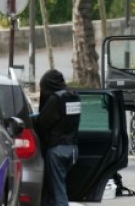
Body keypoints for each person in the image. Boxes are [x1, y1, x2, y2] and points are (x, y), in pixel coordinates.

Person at [35, 69, 81, 206]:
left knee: (57, 191)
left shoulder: (56, 99)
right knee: (59, 186)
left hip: (57, 150)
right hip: (73, 149)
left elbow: (42, 123)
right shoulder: (74, 96)